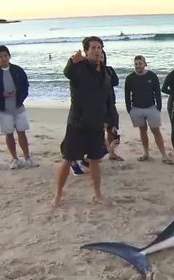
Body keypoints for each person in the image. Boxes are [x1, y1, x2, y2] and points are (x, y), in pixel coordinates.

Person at [52, 36, 117, 207]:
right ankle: (58, 195)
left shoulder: (106, 72)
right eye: (93, 48)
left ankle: (97, 194)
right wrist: (72, 61)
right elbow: (68, 73)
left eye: (99, 47)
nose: (97, 50)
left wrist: (111, 121)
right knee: (68, 159)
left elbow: (108, 99)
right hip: (77, 124)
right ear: (87, 51)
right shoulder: (79, 68)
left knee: (95, 160)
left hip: (96, 124)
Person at [0, 45, 39, 170]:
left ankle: (27, 158)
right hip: (3, 109)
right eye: (1, 56)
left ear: (9, 56)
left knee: (22, 132)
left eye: (5, 56)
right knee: (9, 134)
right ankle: (14, 159)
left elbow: (25, 86)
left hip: (18, 106)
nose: (3, 58)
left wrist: (20, 96)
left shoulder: (17, 70)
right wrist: (1, 94)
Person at [125, 55, 174, 165]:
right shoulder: (130, 78)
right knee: (142, 130)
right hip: (136, 108)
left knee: (156, 131)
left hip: (151, 108)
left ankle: (164, 155)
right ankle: (146, 153)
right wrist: (129, 109)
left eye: (140, 63)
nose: (138, 66)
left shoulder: (152, 76)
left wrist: (159, 107)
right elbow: (127, 94)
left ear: (145, 64)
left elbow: (157, 92)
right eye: (136, 64)